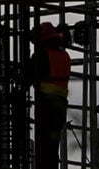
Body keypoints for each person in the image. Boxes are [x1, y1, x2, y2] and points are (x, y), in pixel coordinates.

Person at [28, 22, 72, 169]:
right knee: (53, 148)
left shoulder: (42, 55)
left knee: (43, 148)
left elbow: (28, 76)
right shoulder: (65, 55)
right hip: (60, 106)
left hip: (46, 105)